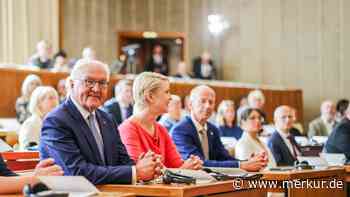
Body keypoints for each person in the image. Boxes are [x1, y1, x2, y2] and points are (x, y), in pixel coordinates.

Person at [39, 59, 160, 184]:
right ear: (72, 84)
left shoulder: (107, 119)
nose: (96, 89)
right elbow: (76, 173)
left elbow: (123, 162)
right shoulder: (56, 121)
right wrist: (135, 172)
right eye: (89, 82)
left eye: (102, 83)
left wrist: (146, 167)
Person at [171, 85, 267, 171]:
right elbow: (199, 163)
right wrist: (242, 165)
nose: (207, 106)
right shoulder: (180, 130)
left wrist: (250, 162)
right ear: (190, 104)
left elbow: (224, 157)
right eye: (203, 101)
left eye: (211, 102)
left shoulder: (213, 129)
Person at [118, 72, 202, 169]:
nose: (170, 97)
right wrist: (183, 170)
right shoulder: (128, 129)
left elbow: (177, 165)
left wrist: (192, 165)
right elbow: (141, 173)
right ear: (150, 97)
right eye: (166, 92)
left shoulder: (161, 129)